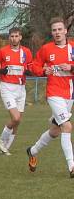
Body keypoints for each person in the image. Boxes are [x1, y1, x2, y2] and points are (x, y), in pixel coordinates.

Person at [26, 17, 74, 176]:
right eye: (54, 30)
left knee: (55, 131)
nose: (57, 33)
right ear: (52, 33)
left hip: (69, 94)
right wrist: (42, 71)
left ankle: (32, 151)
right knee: (67, 126)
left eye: (60, 29)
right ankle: (72, 166)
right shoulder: (47, 49)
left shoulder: (72, 47)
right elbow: (34, 65)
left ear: (66, 30)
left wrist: (71, 67)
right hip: (54, 93)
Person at [0, 27, 33, 155]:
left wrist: (30, 71)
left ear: (20, 37)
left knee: (18, 121)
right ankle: (2, 141)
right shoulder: (3, 51)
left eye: (16, 36)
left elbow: (30, 66)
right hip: (7, 87)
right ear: (9, 38)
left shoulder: (26, 52)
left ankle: (6, 147)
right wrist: (0, 70)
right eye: (12, 36)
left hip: (21, 88)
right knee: (16, 118)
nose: (14, 38)